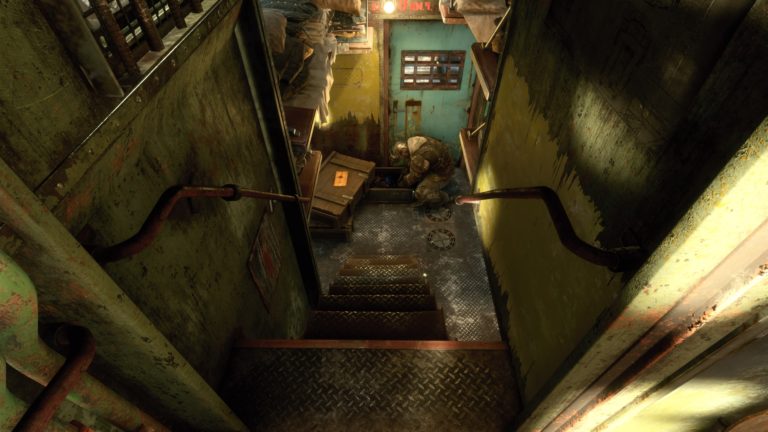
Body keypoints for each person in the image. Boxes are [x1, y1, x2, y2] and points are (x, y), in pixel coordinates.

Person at [391, 136, 454, 207]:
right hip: (442, 165)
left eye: (402, 156)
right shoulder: (414, 142)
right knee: (414, 168)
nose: (403, 158)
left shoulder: (418, 157)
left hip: (442, 174)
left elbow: (413, 177)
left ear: (403, 150)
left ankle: (444, 198)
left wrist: (402, 183)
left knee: (420, 193)